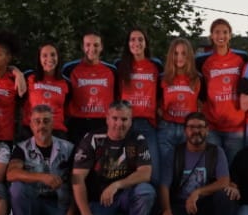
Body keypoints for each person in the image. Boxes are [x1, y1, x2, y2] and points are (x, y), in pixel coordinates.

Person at [71, 100, 155, 215]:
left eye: (124, 119)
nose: (119, 124)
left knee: (146, 191)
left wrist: (116, 185)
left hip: (125, 195)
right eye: (115, 118)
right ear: (107, 119)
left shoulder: (138, 139)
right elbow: (77, 179)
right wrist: (86, 214)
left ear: (131, 121)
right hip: (99, 200)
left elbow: (146, 173)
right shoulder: (92, 138)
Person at [155, 111, 233, 215]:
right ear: (185, 131)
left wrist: (198, 193)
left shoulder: (216, 152)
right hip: (181, 206)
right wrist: (167, 211)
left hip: (205, 206)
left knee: (225, 195)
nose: (196, 131)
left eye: (200, 127)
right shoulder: (175, 153)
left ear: (207, 130)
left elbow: (224, 181)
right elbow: (164, 185)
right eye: (191, 127)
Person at [5, 104, 80, 215]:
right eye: (37, 121)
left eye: (46, 121)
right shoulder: (22, 148)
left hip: (58, 206)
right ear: (31, 125)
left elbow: (78, 185)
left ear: (53, 123)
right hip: (33, 204)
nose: (41, 126)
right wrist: (42, 177)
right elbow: (11, 173)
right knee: (17, 187)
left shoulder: (69, 148)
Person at [155, 37, 202, 199]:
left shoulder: (197, 79)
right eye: (176, 53)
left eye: (183, 53)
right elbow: (155, 102)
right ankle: (163, 209)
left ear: (189, 56)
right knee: (166, 171)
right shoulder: (163, 78)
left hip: (188, 130)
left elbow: (201, 103)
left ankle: (183, 206)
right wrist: (161, 113)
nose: (179, 57)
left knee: (187, 170)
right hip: (167, 128)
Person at [117, 28, 163, 191]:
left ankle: (154, 212)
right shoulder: (120, 66)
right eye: (132, 39)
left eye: (140, 39)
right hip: (125, 124)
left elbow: (161, 93)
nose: (136, 43)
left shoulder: (155, 66)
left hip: (147, 124)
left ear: (146, 43)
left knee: (154, 169)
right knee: (123, 168)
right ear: (128, 44)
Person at [196, 18, 248, 160]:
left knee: (234, 169)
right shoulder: (202, 61)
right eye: (217, 32)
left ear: (230, 35)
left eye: (225, 32)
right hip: (212, 126)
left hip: (236, 125)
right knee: (214, 168)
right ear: (211, 36)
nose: (221, 36)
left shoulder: (241, 57)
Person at [63, 32, 117, 147]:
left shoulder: (112, 70)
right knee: (77, 160)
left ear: (101, 47)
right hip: (78, 123)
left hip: (103, 123)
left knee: (101, 162)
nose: (92, 49)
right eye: (88, 45)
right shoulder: (69, 69)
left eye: (96, 45)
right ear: (83, 47)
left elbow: (118, 96)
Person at [25, 43, 70, 136]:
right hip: (32, 130)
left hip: (56, 131)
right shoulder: (29, 78)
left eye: (53, 55)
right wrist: (15, 71)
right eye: (44, 55)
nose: (49, 58)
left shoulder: (65, 82)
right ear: (39, 59)